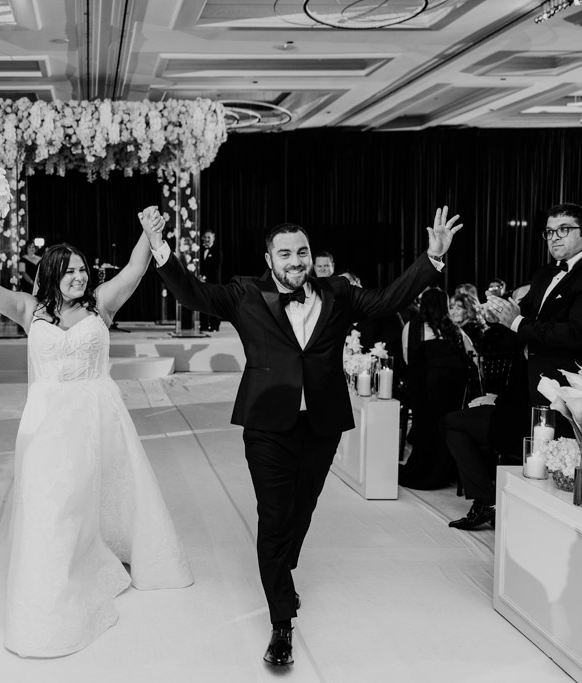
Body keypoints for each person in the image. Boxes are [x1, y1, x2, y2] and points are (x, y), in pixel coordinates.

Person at [146, 204, 462, 667]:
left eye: (303, 252)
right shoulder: (244, 293)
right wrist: (159, 248)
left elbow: (388, 300)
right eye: (286, 254)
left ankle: (279, 565)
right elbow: (193, 294)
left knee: (302, 509)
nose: (296, 261)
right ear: (269, 258)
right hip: (266, 425)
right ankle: (281, 622)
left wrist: (431, 258)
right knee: (274, 518)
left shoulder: (339, 292)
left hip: (321, 424)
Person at [0, 210, 193, 658]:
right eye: (69, 271)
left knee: (99, 492)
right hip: (47, 419)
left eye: (82, 270)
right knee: (52, 501)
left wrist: (148, 235)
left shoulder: (100, 304)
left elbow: (135, 269)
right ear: (50, 273)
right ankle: (52, 583)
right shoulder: (31, 309)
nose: (78, 277)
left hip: (97, 414)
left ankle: (102, 551)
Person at [447, 203, 582, 530]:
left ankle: (538, 536)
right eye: (549, 232)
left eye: (563, 230)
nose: (553, 237)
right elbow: (519, 329)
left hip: (570, 404)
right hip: (525, 398)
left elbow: (575, 336)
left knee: (555, 485)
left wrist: (515, 320)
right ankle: (488, 501)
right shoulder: (544, 274)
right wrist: (492, 322)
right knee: (456, 424)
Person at [399, 288, 476, 490]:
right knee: (445, 425)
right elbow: (472, 356)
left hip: (423, 389)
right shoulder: (455, 330)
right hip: (451, 392)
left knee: (425, 425)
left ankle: (424, 468)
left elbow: (408, 359)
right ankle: (445, 468)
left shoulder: (411, 327)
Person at [199, 229, 223, 332]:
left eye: (209, 237)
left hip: (213, 282)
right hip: (201, 282)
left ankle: (214, 325)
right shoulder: (199, 251)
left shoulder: (217, 250)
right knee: (203, 303)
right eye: (205, 237)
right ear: (202, 238)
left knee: (214, 304)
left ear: (213, 238)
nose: (207, 239)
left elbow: (216, 268)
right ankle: (203, 324)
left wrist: (205, 278)